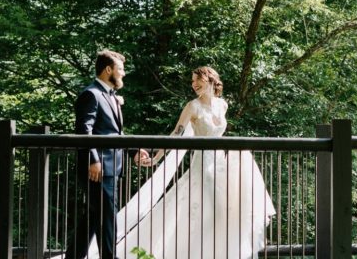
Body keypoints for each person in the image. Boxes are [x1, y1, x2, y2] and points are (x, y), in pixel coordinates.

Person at [114, 66, 276, 259]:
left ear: (210, 80)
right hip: (203, 166)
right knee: (213, 211)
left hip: (221, 165)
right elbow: (176, 134)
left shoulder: (223, 105)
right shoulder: (193, 106)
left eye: (197, 80)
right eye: (192, 81)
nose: (194, 84)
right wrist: (157, 157)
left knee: (227, 211)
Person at [67, 49, 151, 259]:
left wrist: (132, 151)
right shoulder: (91, 94)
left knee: (93, 217)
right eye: (120, 69)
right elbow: (83, 130)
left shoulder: (109, 95)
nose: (123, 73)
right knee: (107, 217)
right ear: (108, 70)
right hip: (99, 169)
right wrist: (93, 160)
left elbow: (114, 133)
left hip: (111, 166)